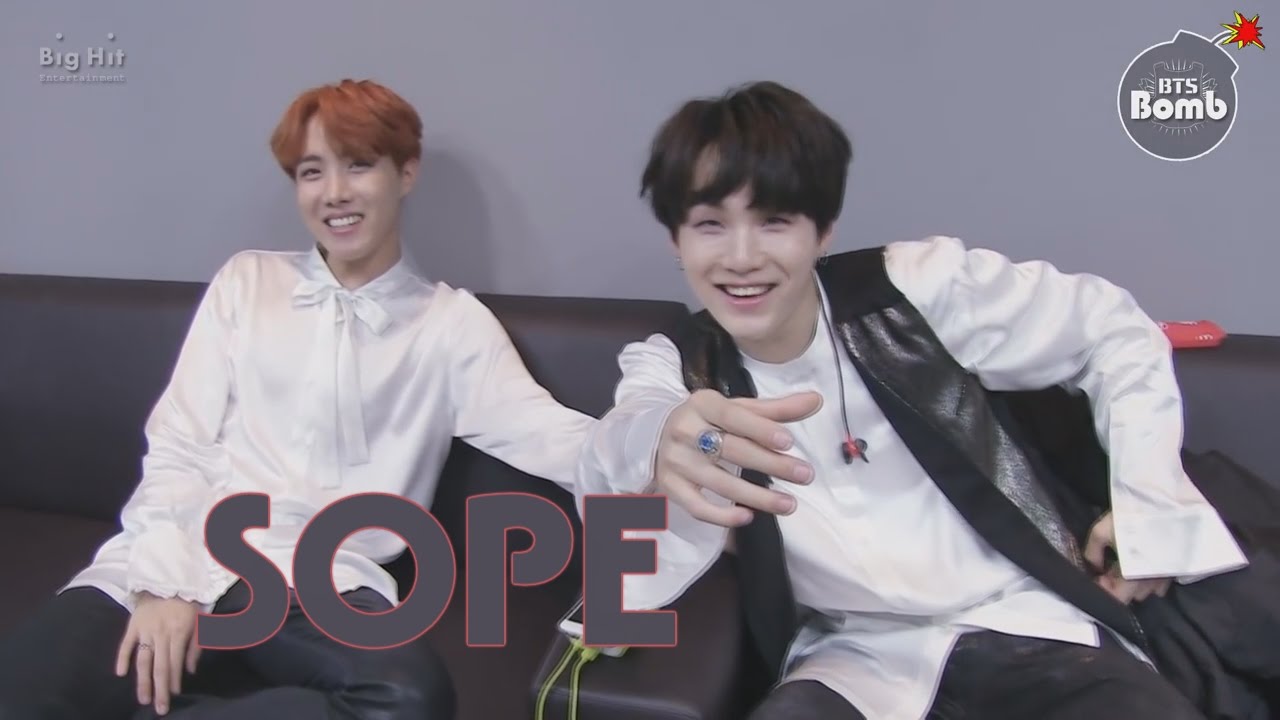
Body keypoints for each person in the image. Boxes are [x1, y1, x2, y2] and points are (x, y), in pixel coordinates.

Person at [576, 80, 1280, 719]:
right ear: (675, 241)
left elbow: (1113, 328)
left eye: (774, 221)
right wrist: (664, 436)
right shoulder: (676, 366)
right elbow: (618, 442)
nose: (741, 257)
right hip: (851, 664)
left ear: (823, 231)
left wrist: (1147, 501)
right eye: (709, 224)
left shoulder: (917, 289)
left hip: (1029, 625)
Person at [0, 78, 595, 720]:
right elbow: (179, 444)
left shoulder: (451, 325)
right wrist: (165, 582)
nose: (334, 192)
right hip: (185, 549)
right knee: (21, 693)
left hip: (319, 583)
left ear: (406, 173)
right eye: (312, 172)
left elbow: (553, 436)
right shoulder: (247, 281)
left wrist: (665, 444)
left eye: (358, 165)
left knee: (407, 698)